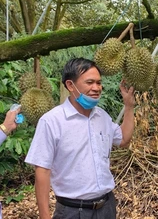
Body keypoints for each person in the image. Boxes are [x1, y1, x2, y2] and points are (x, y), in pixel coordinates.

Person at [25, 58, 135, 219]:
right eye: (90, 82)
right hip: (73, 211)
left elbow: (124, 140)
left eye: (99, 83)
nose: (96, 88)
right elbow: (42, 170)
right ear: (70, 85)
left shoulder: (102, 117)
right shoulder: (52, 121)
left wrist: (129, 106)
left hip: (106, 207)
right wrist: (44, 216)